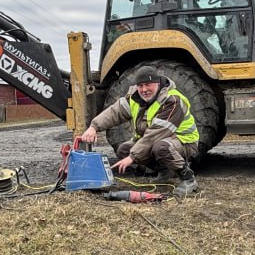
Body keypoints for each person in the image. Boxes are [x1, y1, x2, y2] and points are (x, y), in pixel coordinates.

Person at [78, 65, 200, 196]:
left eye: (148, 84)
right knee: (124, 150)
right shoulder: (134, 98)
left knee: (160, 147)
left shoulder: (173, 100)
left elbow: (155, 135)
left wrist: (133, 157)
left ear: (158, 83)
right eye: (140, 86)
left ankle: (188, 179)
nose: (144, 89)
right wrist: (94, 127)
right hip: (158, 141)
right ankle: (165, 171)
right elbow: (114, 112)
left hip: (184, 142)